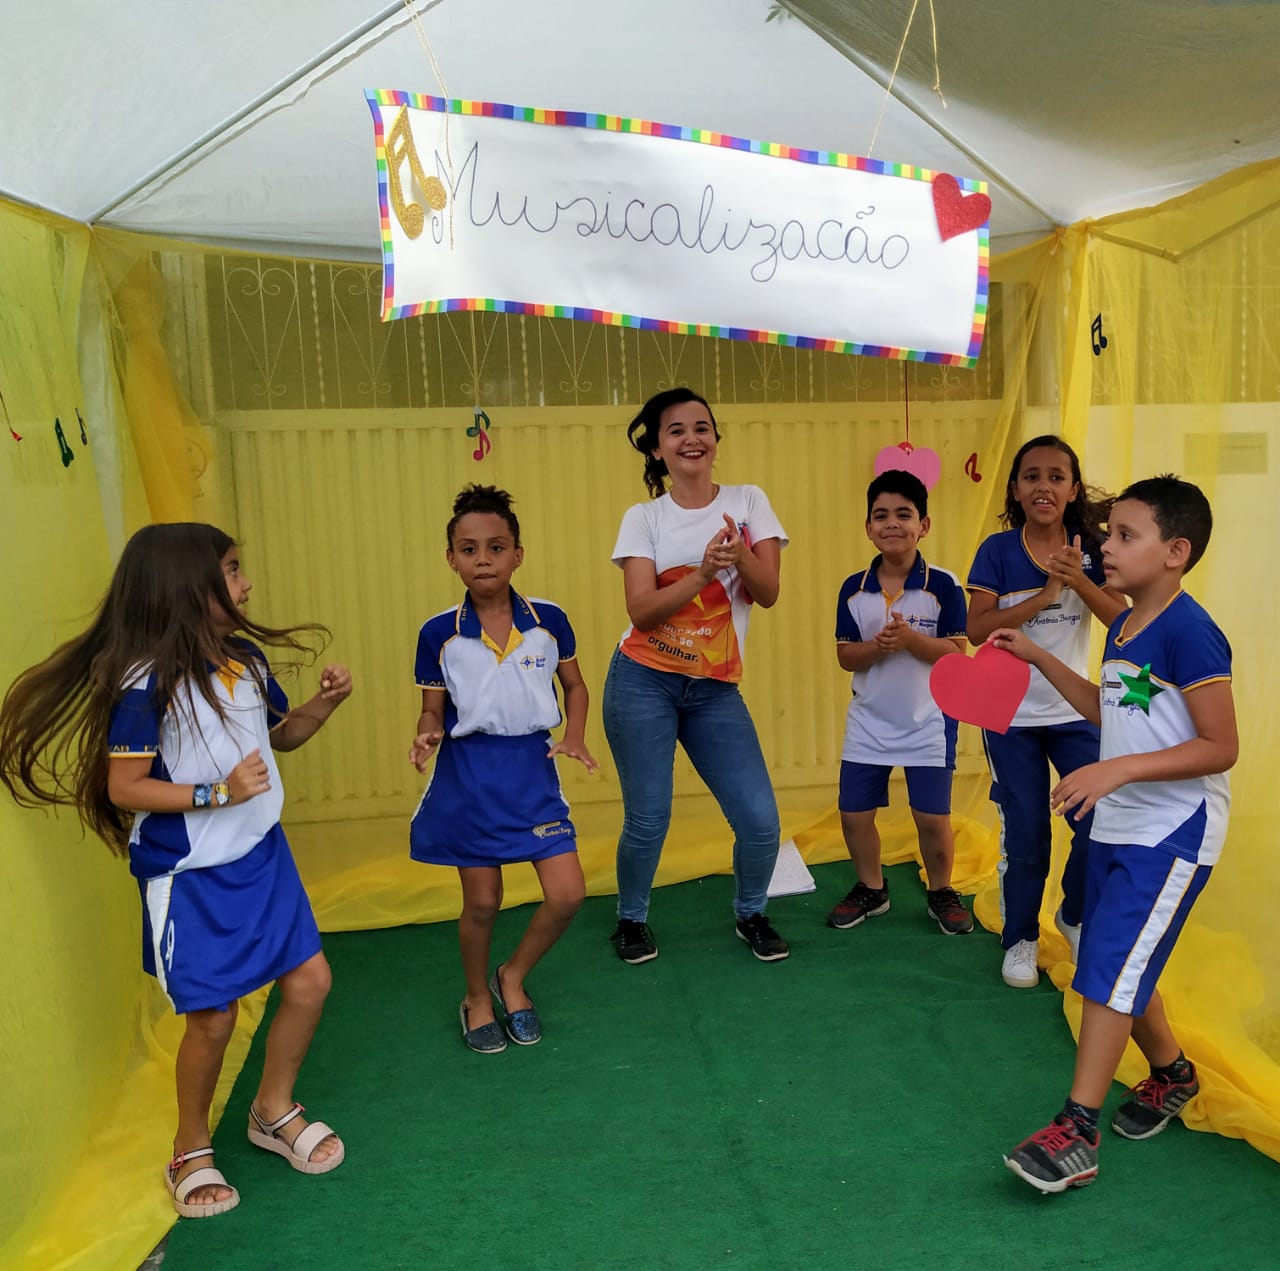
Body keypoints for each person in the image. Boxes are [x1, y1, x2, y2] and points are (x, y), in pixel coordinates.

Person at [0, 523, 350, 1219]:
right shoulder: (144, 683)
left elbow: (277, 738)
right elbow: (125, 787)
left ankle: (272, 1108)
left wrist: (324, 704)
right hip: (190, 875)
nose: (246, 584)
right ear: (186, 588)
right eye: (232, 570)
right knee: (214, 1018)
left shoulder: (245, 658)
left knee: (311, 981)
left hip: (263, 854)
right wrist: (219, 792)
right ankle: (190, 1147)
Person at [993, 475, 1236, 1193]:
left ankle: (1077, 1131)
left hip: (1173, 833)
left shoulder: (1190, 631)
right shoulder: (1126, 624)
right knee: (1117, 957)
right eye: (1111, 533)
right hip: (1121, 825)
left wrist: (1118, 769)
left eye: (1126, 535)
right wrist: (1040, 658)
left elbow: (1221, 746)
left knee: (1107, 967)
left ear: (1175, 552)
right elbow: (1113, 710)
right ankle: (1172, 1074)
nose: (1107, 546)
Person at [604, 387, 788, 965]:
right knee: (649, 817)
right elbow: (641, 611)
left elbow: (768, 592)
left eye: (702, 427)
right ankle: (631, 919)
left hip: (714, 691)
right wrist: (705, 571)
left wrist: (741, 556)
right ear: (658, 449)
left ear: (715, 439)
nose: (691, 439)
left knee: (760, 821)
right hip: (642, 680)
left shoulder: (749, 501)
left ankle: (751, 912)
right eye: (676, 430)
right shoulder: (644, 518)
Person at [409, 484, 596, 1054]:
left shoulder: (549, 620)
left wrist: (574, 736)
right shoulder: (438, 633)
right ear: (451, 559)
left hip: (532, 770)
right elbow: (433, 708)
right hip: (468, 776)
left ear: (518, 554)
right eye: (469, 549)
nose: (483, 559)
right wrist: (427, 733)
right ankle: (477, 997)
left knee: (567, 893)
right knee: (483, 902)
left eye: (496, 547)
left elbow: (575, 686)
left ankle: (512, 975)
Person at [967, 436, 1126, 988]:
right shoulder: (997, 550)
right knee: (1028, 833)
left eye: (1057, 477)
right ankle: (1021, 937)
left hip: (1074, 711)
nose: (1044, 486)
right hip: (1009, 718)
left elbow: (1124, 623)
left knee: (1101, 818)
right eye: (1031, 476)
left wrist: (1079, 579)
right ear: (1015, 489)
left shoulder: (1094, 549)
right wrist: (1045, 596)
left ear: (1073, 489)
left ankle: (1073, 916)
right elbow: (976, 630)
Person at [828, 470, 973, 936]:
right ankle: (872, 888)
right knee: (854, 814)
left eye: (904, 514)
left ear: (923, 525)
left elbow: (956, 653)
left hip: (928, 721)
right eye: (881, 515)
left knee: (931, 818)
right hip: (868, 721)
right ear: (868, 528)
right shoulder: (853, 588)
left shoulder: (944, 585)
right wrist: (880, 646)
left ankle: (941, 890)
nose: (892, 523)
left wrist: (910, 640)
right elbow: (846, 656)